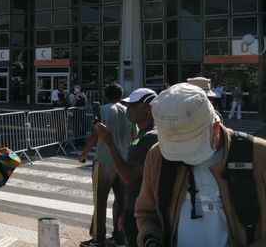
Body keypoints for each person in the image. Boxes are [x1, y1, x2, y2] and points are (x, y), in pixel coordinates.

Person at [135, 83, 266, 247]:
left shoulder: (258, 156)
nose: (184, 157)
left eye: (191, 148)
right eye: (175, 149)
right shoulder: (157, 156)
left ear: (215, 128)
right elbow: (146, 212)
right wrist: (150, 239)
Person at [95, 88, 158, 246]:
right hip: (135, 210)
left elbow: (129, 177)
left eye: (133, 106)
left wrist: (110, 143)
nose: (129, 110)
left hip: (143, 215)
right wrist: (126, 212)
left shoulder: (150, 137)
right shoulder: (142, 133)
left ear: (148, 110)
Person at [78, 83, 135, 247]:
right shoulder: (128, 111)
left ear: (105, 95)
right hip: (123, 160)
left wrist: (83, 154)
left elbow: (96, 136)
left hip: (104, 160)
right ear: (122, 94)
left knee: (100, 200)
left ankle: (98, 238)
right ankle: (119, 236)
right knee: (121, 200)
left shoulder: (102, 110)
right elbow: (134, 134)